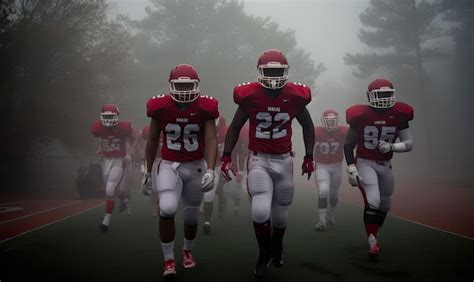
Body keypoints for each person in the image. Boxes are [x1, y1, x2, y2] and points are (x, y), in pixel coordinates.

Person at [221, 49, 315, 278]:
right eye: (269, 71)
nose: (273, 76)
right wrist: (226, 155)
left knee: (281, 214)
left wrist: (309, 156)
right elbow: (234, 127)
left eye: (278, 71)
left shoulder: (295, 96)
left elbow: (308, 126)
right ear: (260, 72)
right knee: (261, 210)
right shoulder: (249, 96)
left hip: (284, 160)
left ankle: (277, 246)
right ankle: (264, 254)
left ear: (286, 72)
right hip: (259, 159)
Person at [142, 64, 219, 278]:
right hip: (169, 165)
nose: (184, 90)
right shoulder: (160, 107)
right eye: (180, 85)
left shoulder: (206, 107)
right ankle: (168, 260)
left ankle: (187, 251)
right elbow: (153, 140)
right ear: (171, 85)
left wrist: (211, 169)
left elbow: (212, 138)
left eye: (188, 85)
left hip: (195, 165)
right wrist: (147, 171)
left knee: (192, 215)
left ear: (196, 85)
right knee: (167, 207)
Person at [344, 78, 414, 257]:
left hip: (386, 164)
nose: (383, 98)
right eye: (379, 94)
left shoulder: (400, 114)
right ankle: (372, 241)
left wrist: (392, 147)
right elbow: (348, 144)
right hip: (365, 162)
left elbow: (409, 143)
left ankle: (374, 230)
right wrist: (351, 167)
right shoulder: (360, 115)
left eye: (387, 94)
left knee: (385, 204)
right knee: (373, 200)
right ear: (370, 96)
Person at [91, 104, 134, 232]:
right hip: (106, 161)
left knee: (109, 190)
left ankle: (106, 221)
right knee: (114, 189)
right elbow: (101, 137)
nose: (108, 119)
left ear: (116, 117)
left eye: (111, 116)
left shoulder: (124, 128)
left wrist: (130, 152)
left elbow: (132, 138)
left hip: (118, 161)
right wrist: (100, 147)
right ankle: (125, 200)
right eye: (106, 116)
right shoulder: (98, 127)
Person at [313, 110, 348, 231]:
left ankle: (330, 212)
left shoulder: (343, 131)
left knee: (333, 194)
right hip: (322, 165)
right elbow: (309, 145)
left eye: (333, 121)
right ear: (323, 122)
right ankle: (322, 220)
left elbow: (351, 145)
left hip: (337, 165)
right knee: (323, 191)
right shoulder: (317, 132)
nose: (331, 124)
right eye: (329, 121)